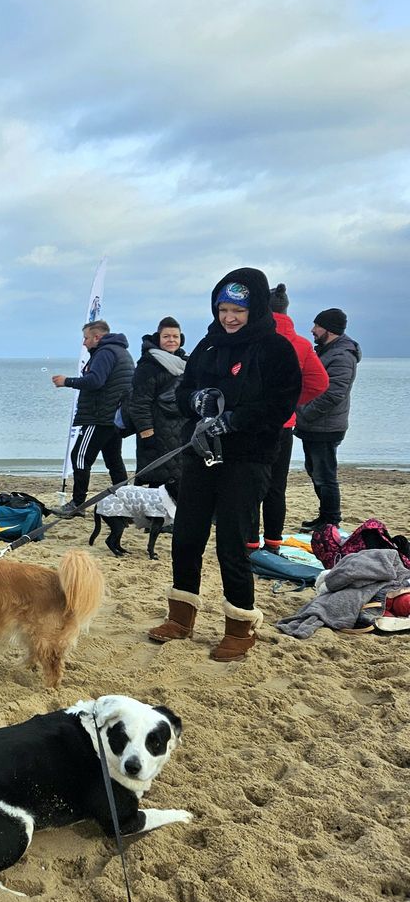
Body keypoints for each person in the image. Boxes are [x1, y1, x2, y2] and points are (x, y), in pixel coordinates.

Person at [148, 269, 301, 661]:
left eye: (238, 310)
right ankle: (181, 618)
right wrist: (196, 401)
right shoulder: (209, 346)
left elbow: (281, 404)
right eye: (223, 309)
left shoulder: (275, 348)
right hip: (201, 453)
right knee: (186, 536)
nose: (229, 317)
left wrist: (234, 418)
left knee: (232, 543)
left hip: (248, 458)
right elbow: (181, 394)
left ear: (257, 308)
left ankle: (240, 627)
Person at [255, 284, 330, 551]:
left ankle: (251, 541)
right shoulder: (300, 343)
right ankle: (273, 541)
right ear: (286, 310)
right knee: (277, 486)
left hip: (253, 422)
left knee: (253, 483)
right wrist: (292, 401)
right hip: (283, 424)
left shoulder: (254, 338)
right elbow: (320, 382)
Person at [51, 320, 134, 515]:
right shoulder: (120, 351)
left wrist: (67, 381)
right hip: (114, 416)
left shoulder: (105, 352)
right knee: (114, 460)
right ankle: (127, 502)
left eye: (86, 338)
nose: (84, 343)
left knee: (79, 457)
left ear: (97, 337)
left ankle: (77, 504)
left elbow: (95, 380)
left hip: (100, 416)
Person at [294, 307, 361, 533]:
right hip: (315, 425)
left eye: (317, 326)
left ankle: (331, 520)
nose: (313, 330)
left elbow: (334, 393)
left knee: (325, 475)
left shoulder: (341, 356)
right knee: (315, 470)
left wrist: (305, 412)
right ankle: (325, 517)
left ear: (329, 329)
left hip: (325, 426)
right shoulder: (326, 350)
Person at [127, 317, 188, 499]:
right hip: (157, 431)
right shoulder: (148, 365)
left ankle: (171, 519)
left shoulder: (185, 362)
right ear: (158, 338)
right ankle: (155, 522)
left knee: (179, 477)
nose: (171, 340)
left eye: (175, 336)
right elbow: (139, 403)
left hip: (180, 430)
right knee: (158, 479)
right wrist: (147, 433)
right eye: (166, 336)